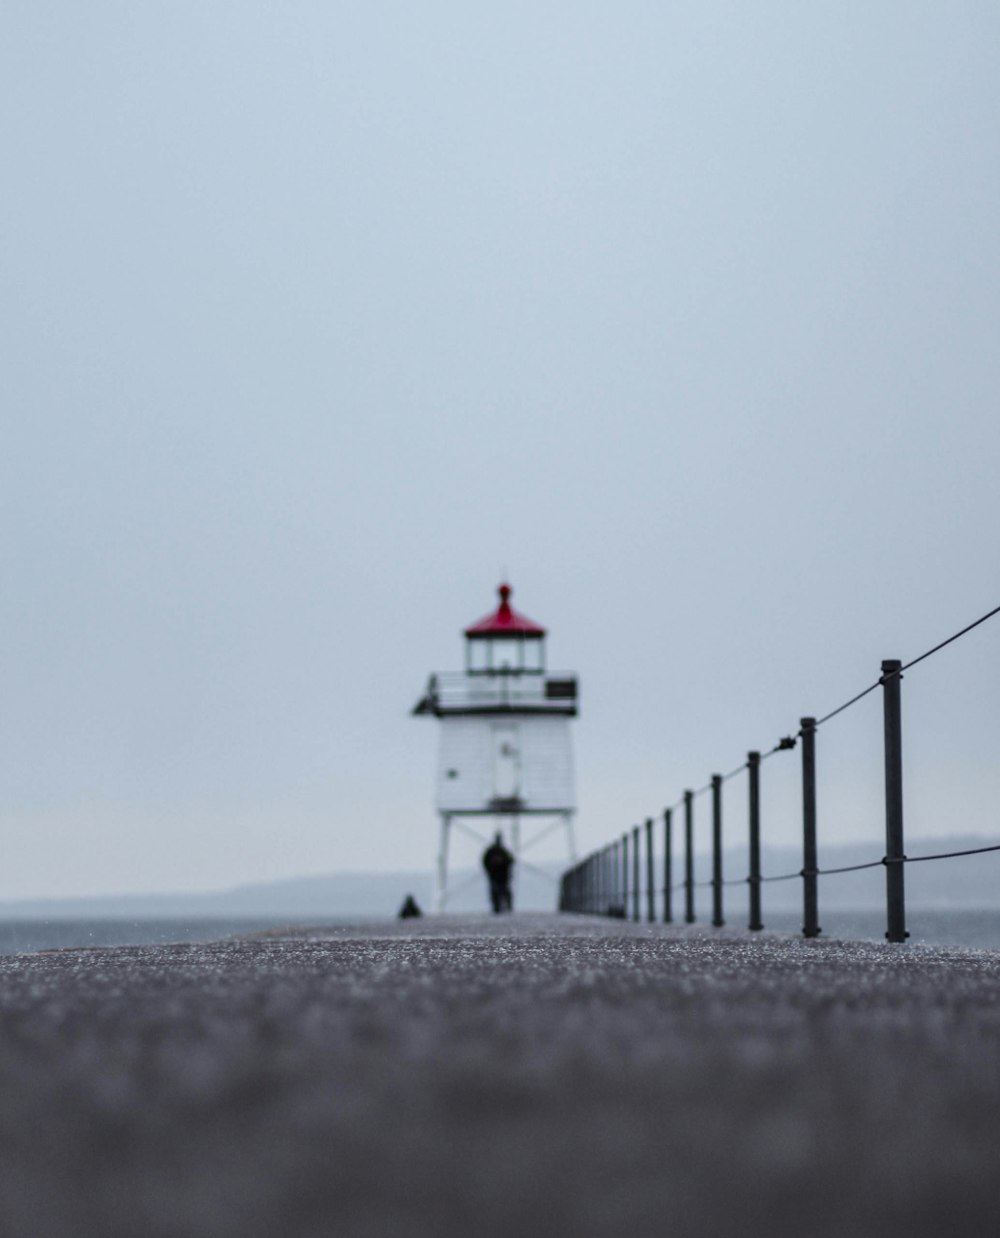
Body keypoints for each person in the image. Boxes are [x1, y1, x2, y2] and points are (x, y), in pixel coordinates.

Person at [482, 832, 514, 914]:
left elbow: (510, 861)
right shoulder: (492, 851)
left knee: (505, 892)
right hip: (494, 875)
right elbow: (485, 862)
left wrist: (503, 863)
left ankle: (507, 907)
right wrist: (490, 868)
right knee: (495, 892)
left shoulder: (503, 851)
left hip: (503, 876)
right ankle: (496, 907)